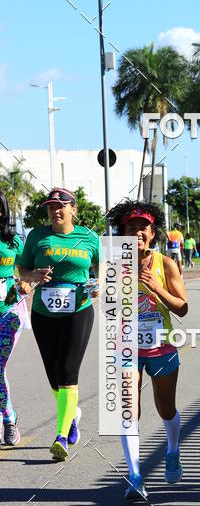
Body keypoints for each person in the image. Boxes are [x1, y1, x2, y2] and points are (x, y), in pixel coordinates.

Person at [106, 201, 189, 504]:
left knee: (165, 408)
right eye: (131, 228)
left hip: (162, 346)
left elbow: (183, 307)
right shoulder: (112, 262)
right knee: (129, 409)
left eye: (144, 228)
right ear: (122, 234)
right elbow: (106, 305)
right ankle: (135, 478)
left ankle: (172, 449)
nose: (137, 232)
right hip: (126, 346)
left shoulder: (165, 264)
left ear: (153, 233)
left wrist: (157, 288)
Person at [17, 188, 101, 460]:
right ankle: (72, 414)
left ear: (73, 209)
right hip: (43, 313)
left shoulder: (88, 237)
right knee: (54, 376)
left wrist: (98, 283)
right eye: (51, 207)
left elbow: (106, 266)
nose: (55, 211)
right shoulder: (37, 237)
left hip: (78, 310)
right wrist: (33, 276)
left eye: (60, 206)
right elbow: (24, 271)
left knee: (67, 370)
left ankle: (61, 436)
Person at [0, 191, 31, 446]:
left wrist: (27, 282)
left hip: (10, 311)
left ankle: (9, 420)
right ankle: (9, 415)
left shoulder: (13, 243)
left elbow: (27, 271)